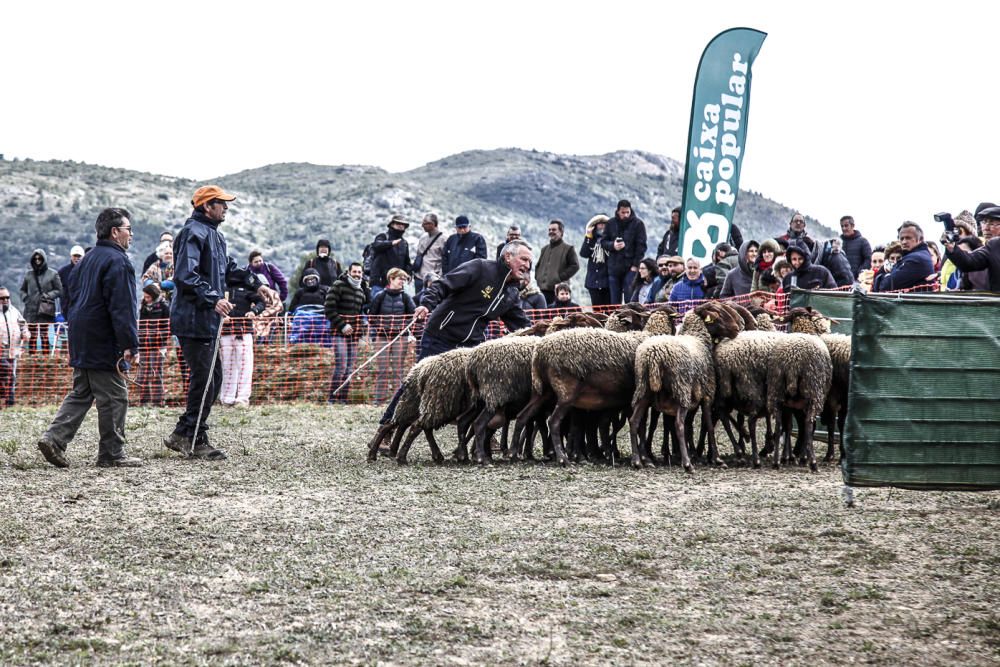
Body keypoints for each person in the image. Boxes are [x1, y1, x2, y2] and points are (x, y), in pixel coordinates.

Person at [163, 185, 275, 460]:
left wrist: (255, 284)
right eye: (221, 203)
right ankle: (193, 438)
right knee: (206, 379)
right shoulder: (192, 233)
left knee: (211, 378)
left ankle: (184, 433)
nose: (226, 208)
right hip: (192, 319)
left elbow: (228, 269)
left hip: (205, 320)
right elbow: (185, 275)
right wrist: (213, 298)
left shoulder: (214, 235)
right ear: (206, 206)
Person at [379, 240, 535, 426]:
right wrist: (426, 304)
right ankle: (388, 425)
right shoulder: (480, 268)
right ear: (507, 256)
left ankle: (478, 431)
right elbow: (442, 285)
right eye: (524, 259)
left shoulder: (511, 293)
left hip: (471, 344)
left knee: (477, 389)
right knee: (416, 384)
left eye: (530, 262)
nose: (527, 265)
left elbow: (521, 324)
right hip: (441, 333)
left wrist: (541, 338)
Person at [35, 208, 142, 468]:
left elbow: (70, 299)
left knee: (81, 392)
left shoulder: (86, 260)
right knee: (115, 396)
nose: (131, 235)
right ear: (115, 232)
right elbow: (122, 306)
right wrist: (130, 344)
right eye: (128, 229)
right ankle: (111, 454)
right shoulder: (119, 261)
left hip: (80, 335)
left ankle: (54, 439)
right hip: (103, 338)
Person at [219, 269, 267, 407]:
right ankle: (227, 398)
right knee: (227, 366)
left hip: (244, 332)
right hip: (226, 333)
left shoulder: (248, 291)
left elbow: (261, 303)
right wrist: (222, 317)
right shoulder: (221, 291)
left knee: (245, 366)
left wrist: (254, 311)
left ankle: (242, 399)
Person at [369, 267, 416, 403]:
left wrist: (404, 328)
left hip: (400, 337)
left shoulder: (406, 297)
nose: (403, 281)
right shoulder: (380, 296)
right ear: (391, 279)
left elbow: (413, 316)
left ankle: (398, 401)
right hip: (382, 337)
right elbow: (371, 317)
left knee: (398, 370)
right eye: (400, 278)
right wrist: (381, 328)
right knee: (382, 370)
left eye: (404, 279)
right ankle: (379, 400)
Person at [325, 262, 370, 403]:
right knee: (341, 366)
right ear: (349, 272)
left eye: (359, 272)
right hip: (339, 333)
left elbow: (360, 315)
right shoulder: (338, 286)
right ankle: (332, 398)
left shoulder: (361, 291)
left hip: (354, 336)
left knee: (350, 369)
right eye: (354, 271)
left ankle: (343, 399)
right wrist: (342, 325)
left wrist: (362, 332)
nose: (357, 274)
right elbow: (329, 309)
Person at [943, 206, 1000, 292]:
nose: (986, 228)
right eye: (984, 222)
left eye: (992, 223)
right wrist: (951, 247)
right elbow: (969, 262)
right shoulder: (994, 246)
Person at [602, 199, 647, 304]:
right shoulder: (610, 223)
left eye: (628, 212)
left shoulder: (638, 224)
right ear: (618, 211)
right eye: (623, 212)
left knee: (629, 298)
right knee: (614, 301)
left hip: (630, 267)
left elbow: (641, 246)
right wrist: (613, 245)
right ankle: (615, 319)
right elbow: (603, 242)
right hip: (614, 267)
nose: (626, 215)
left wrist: (635, 265)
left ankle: (630, 319)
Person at [19, 249, 63, 355]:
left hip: (45, 310)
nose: (37, 260)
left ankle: (46, 359)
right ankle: (32, 360)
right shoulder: (28, 275)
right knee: (32, 336)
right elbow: (22, 290)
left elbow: (59, 290)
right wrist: (26, 298)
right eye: (35, 258)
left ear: (44, 259)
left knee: (44, 335)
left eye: (39, 258)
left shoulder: (53, 274)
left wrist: (48, 296)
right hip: (31, 310)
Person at [873, 222, 935, 292]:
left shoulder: (917, 259)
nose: (904, 242)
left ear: (920, 239)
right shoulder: (914, 256)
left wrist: (882, 277)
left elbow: (886, 286)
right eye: (901, 239)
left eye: (908, 238)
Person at [137, 283, 170, 407]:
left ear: (154, 296)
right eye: (145, 297)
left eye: (148, 297)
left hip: (158, 345)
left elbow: (167, 326)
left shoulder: (163, 306)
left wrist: (160, 337)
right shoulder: (143, 306)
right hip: (144, 344)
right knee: (144, 373)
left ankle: (158, 401)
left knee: (156, 373)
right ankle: (144, 401)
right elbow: (141, 324)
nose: (146, 299)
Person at [535, 219, 580, 304]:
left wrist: (559, 278)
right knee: (544, 315)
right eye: (549, 230)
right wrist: (538, 278)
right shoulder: (544, 249)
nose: (551, 232)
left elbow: (575, 266)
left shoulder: (568, 249)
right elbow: (538, 266)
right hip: (542, 290)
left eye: (554, 229)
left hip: (559, 292)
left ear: (561, 232)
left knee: (557, 316)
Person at [369, 214, 413, 300]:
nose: (400, 226)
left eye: (403, 225)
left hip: (396, 284)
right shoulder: (383, 236)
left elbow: (407, 261)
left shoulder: (404, 243)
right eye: (398, 224)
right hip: (379, 282)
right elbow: (376, 245)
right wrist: (391, 243)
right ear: (392, 225)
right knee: (375, 310)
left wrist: (408, 274)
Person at [0, 286, 28, 407]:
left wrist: (26, 333)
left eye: (7, 297)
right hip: (1, 351)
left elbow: (23, 324)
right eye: (2, 298)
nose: (5, 300)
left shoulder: (14, 311)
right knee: (6, 373)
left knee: (12, 375)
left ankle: (10, 401)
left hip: (14, 350)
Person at [580, 214, 611, 306]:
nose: (602, 226)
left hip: (608, 282)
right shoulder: (591, 240)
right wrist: (588, 236)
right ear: (595, 226)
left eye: (604, 224)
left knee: (610, 310)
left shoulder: (611, 240)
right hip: (593, 282)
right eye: (599, 224)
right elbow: (584, 253)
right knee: (597, 311)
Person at [413, 213, 447, 295]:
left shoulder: (444, 240)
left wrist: (439, 277)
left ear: (432, 224)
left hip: (432, 279)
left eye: (425, 223)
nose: (422, 225)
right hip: (419, 277)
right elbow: (418, 255)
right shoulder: (423, 238)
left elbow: (445, 260)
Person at [57, 244, 85, 310]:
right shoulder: (62, 272)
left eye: (79, 256)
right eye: (75, 256)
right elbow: (58, 288)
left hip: (83, 306)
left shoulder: (88, 271)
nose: (76, 258)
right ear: (71, 256)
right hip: (67, 306)